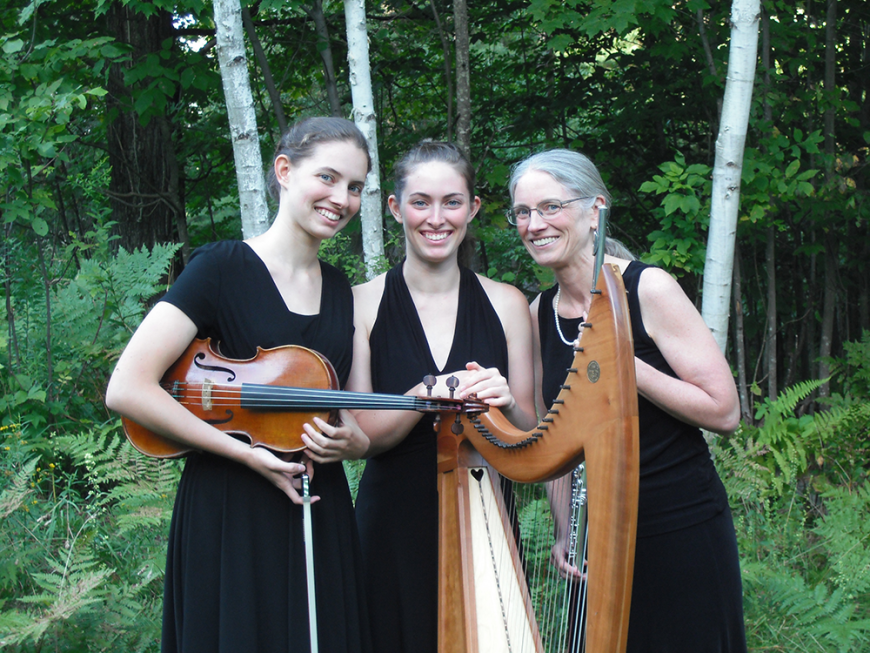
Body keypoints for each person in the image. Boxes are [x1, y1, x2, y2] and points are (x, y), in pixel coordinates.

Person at [105, 117, 374, 653]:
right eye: (328, 178)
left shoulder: (343, 290)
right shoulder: (220, 267)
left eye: (355, 187)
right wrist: (245, 455)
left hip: (317, 505)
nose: (341, 198)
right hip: (230, 509)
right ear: (283, 171)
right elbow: (128, 387)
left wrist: (356, 443)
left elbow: (356, 419)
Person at [508, 148, 747, 652]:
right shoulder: (538, 313)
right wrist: (566, 531)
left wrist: (622, 365)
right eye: (523, 212)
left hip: (679, 524)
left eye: (550, 207)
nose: (534, 224)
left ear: (595, 210)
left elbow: (724, 412)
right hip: (598, 540)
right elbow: (555, 438)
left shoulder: (647, 288)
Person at [346, 141, 537, 653]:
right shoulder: (361, 305)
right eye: (421, 202)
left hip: (485, 514)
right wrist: (423, 395)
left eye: (452, 202)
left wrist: (508, 403)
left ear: (472, 209)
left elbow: (533, 433)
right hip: (391, 524)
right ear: (394, 208)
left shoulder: (507, 303)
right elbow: (363, 438)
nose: (437, 218)